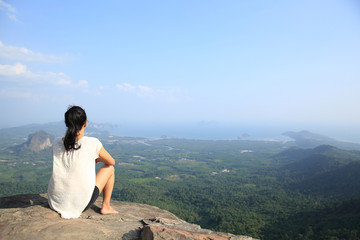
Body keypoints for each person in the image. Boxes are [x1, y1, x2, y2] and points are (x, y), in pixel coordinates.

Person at [48, 105, 118, 219]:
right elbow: (112, 161)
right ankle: (106, 206)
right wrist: (98, 158)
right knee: (110, 168)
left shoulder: (56, 142)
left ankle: (106, 206)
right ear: (85, 123)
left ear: (66, 124)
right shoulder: (92, 143)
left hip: (55, 201)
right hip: (78, 204)